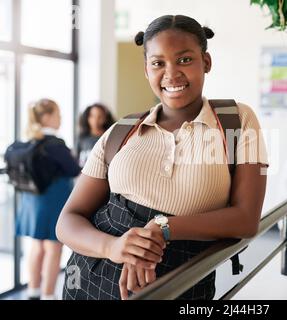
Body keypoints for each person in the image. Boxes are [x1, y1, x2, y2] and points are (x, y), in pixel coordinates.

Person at [56, 15, 269, 300]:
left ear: (206, 62)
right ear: (146, 70)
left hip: (181, 280)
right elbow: (67, 221)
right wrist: (114, 247)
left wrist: (163, 228)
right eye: (158, 63)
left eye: (184, 60)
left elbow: (246, 219)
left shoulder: (236, 120)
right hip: (91, 277)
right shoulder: (122, 130)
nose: (171, 74)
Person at [16, 99, 81, 300]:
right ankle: (48, 295)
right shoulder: (55, 144)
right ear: (46, 117)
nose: (60, 118)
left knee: (37, 245)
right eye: (57, 114)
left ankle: (33, 290)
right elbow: (73, 170)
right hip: (52, 200)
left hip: (32, 200)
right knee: (54, 247)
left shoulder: (30, 141)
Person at [77, 103, 115, 167]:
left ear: (105, 119)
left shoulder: (110, 138)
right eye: (92, 116)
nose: (95, 120)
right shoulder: (82, 138)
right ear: (87, 118)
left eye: (100, 117)